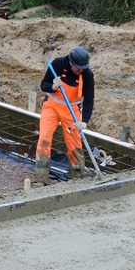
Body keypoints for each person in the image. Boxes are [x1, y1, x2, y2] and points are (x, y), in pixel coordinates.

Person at [34, 46, 95, 183]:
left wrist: (84, 121)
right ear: (71, 62)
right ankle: (40, 177)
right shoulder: (58, 64)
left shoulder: (87, 75)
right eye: (78, 67)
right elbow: (44, 85)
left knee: (75, 143)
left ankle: (77, 177)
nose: (80, 70)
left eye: (83, 67)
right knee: (44, 139)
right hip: (52, 106)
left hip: (71, 110)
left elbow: (89, 99)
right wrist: (53, 87)